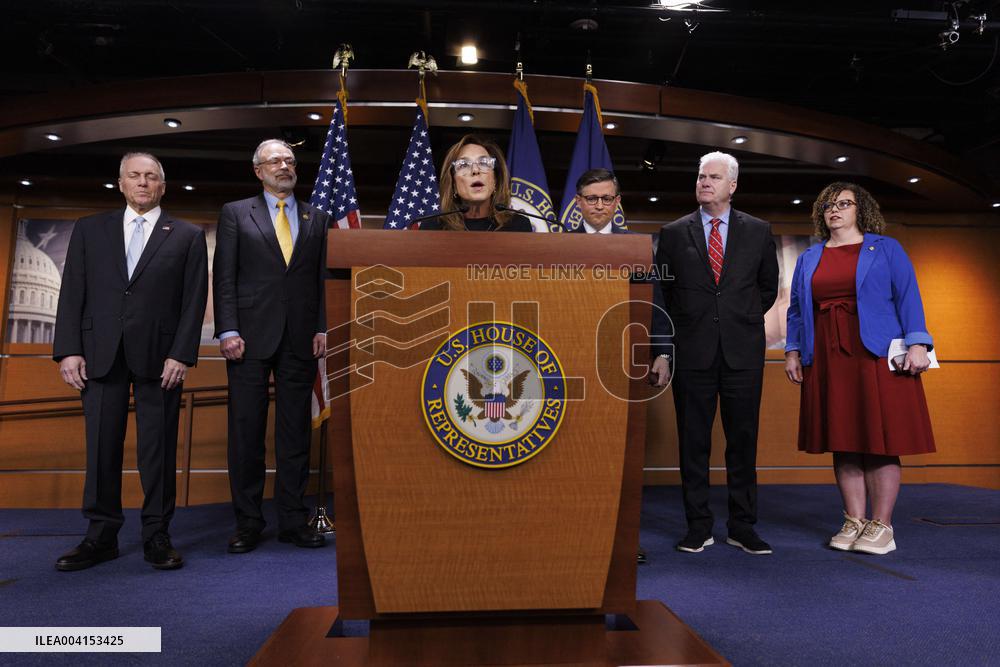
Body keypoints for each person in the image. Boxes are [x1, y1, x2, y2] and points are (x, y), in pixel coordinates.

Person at [52, 152, 208, 571]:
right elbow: (72, 293)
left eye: (151, 177)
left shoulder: (188, 236)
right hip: (99, 354)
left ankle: (157, 534)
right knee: (102, 447)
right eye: (135, 176)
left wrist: (181, 354)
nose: (143, 183)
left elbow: (194, 302)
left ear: (162, 185)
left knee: (157, 451)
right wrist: (68, 349)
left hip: (161, 359)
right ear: (120, 183)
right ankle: (100, 536)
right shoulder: (89, 230)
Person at [784, 182, 935, 555]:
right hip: (828, 356)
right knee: (844, 439)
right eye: (828, 205)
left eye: (844, 204)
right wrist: (792, 350)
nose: (834, 210)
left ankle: (882, 526)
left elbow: (908, 295)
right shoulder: (810, 257)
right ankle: (854, 519)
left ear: (860, 209)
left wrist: (918, 342)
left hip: (877, 354)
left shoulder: (886, 248)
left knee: (881, 440)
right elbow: (796, 311)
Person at [650, 151, 779, 555]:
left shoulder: (759, 231)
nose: (705, 182)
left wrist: (736, 317)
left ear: (732, 185)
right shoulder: (673, 233)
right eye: (701, 175)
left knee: (743, 441)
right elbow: (661, 295)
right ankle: (698, 526)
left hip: (743, 354)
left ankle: (742, 526)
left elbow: (767, 288)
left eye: (714, 177)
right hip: (691, 354)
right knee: (693, 443)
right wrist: (663, 352)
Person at [213, 139, 330, 553]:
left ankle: (293, 521)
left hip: (300, 338)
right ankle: (247, 522)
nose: (285, 166)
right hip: (246, 338)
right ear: (258, 170)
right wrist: (227, 329)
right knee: (246, 434)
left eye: (290, 160)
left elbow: (320, 280)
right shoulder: (235, 213)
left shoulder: (318, 217)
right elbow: (224, 275)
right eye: (275, 161)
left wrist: (323, 327)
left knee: (294, 435)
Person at [419, 134, 533, 232]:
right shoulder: (432, 227)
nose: (475, 171)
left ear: (495, 180)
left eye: (483, 163)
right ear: (453, 185)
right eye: (464, 165)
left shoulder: (518, 225)